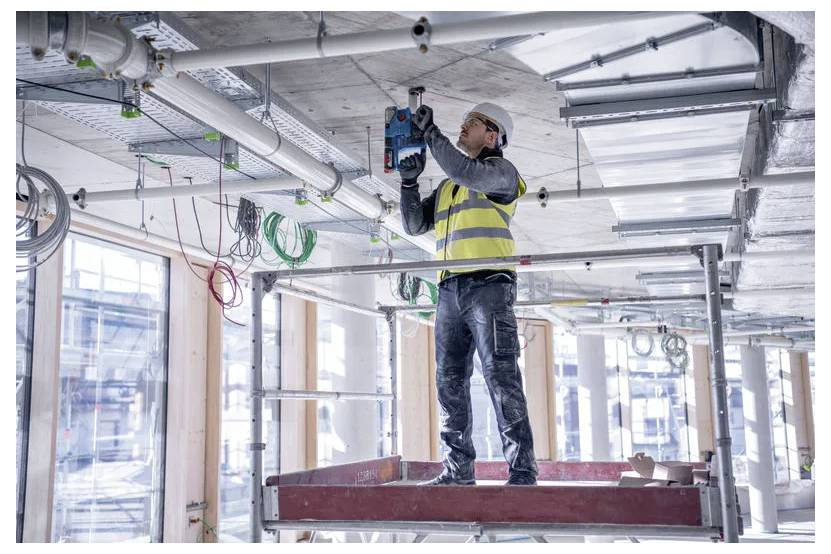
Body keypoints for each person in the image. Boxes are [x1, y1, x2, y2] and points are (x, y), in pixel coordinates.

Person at [398, 102, 538, 486]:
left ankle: (523, 473)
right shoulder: (448, 187)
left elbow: (465, 169)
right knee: (449, 381)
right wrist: (408, 183)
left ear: (491, 135)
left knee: (501, 376)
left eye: (469, 124)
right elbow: (413, 225)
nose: (462, 129)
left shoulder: (503, 174)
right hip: (449, 291)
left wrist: (431, 136)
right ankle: (457, 472)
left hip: (490, 286)